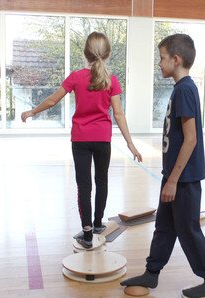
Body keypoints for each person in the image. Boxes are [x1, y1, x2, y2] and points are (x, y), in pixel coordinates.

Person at [120, 34, 205, 298]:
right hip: (174, 176)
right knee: (164, 226)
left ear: (176, 60)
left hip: (184, 178)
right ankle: (151, 273)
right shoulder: (180, 88)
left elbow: (191, 139)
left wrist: (174, 180)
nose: (159, 63)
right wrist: (168, 177)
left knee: (187, 228)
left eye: (162, 58)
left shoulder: (185, 89)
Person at [21, 31, 142, 248]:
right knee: (102, 180)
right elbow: (119, 114)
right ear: (108, 55)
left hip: (80, 139)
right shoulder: (111, 80)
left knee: (84, 185)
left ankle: (87, 233)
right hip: (102, 140)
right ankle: (97, 224)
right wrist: (130, 143)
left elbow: (51, 101)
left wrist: (32, 111)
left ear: (85, 53)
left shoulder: (76, 77)